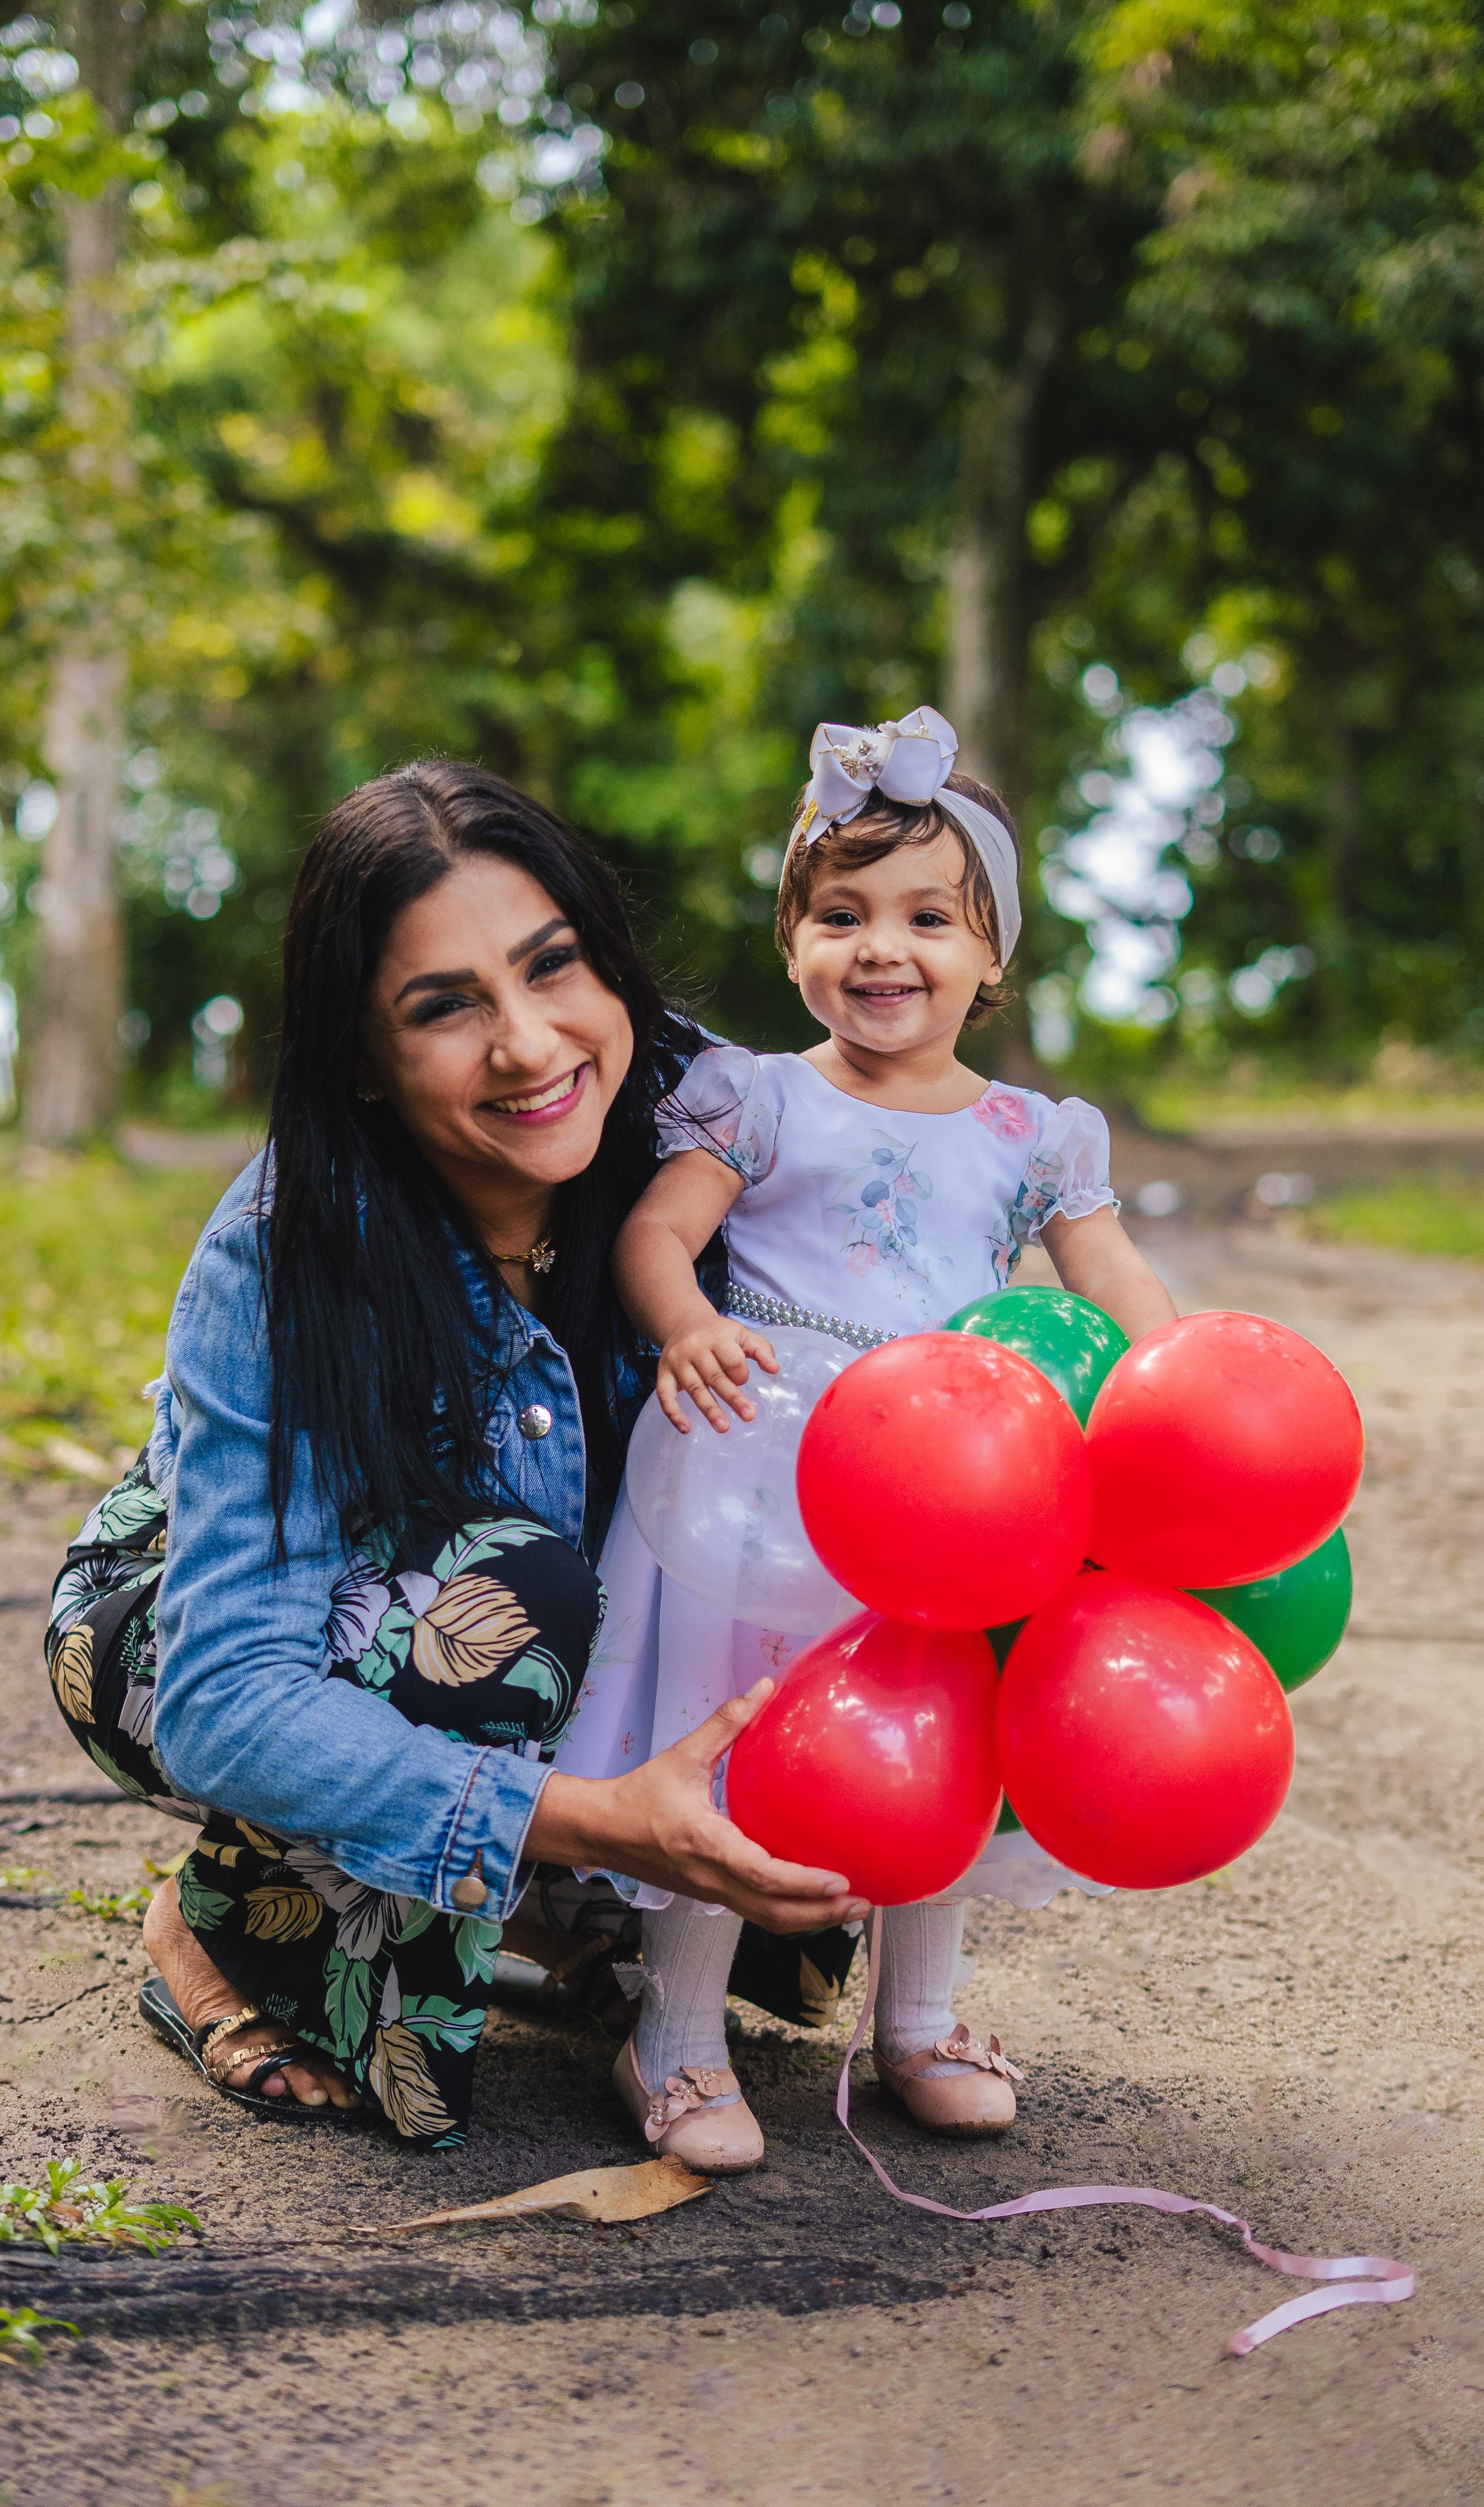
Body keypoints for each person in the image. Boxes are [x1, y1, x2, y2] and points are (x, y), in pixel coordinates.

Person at [44, 763, 868, 2152]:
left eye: (554, 970)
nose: (532, 1046)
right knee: (508, 1612)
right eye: (445, 1008)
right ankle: (223, 1935)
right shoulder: (283, 1249)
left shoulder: (722, 1134)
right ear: (362, 1057)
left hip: (545, 1619)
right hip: (197, 1623)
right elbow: (230, 1694)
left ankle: (545, 1887)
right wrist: (591, 1820)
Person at [557, 705, 1178, 2166]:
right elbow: (658, 1234)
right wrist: (683, 1324)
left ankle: (920, 2018)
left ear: (989, 957)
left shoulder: (1033, 1136)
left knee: (940, 1733)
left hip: (957, 1494)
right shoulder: (760, 1102)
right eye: (838, 914)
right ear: (791, 946)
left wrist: (1166, 1381)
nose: (878, 948)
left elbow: (1114, 1280)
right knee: (737, 1741)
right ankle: (680, 2030)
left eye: (924, 919)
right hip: (760, 1480)